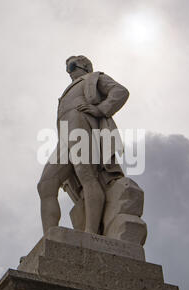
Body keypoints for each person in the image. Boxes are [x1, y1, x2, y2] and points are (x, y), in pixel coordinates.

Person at [37, 55, 129, 235]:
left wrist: (101, 109)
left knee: (86, 173)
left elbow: (120, 91)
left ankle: (91, 233)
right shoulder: (67, 91)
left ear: (85, 65)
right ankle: (49, 238)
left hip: (81, 123)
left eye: (71, 66)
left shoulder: (94, 78)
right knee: (46, 184)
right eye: (66, 68)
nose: (68, 71)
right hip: (64, 134)